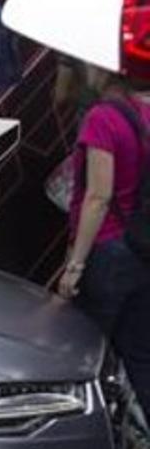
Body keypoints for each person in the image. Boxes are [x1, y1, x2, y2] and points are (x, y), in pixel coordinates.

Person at [56, 62, 150, 411]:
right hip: (143, 248)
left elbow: (98, 197)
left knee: (83, 352)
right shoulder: (145, 111)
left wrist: (75, 265)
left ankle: (89, 434)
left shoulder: (102, 118)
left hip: (106, 250)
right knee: (141, 355)